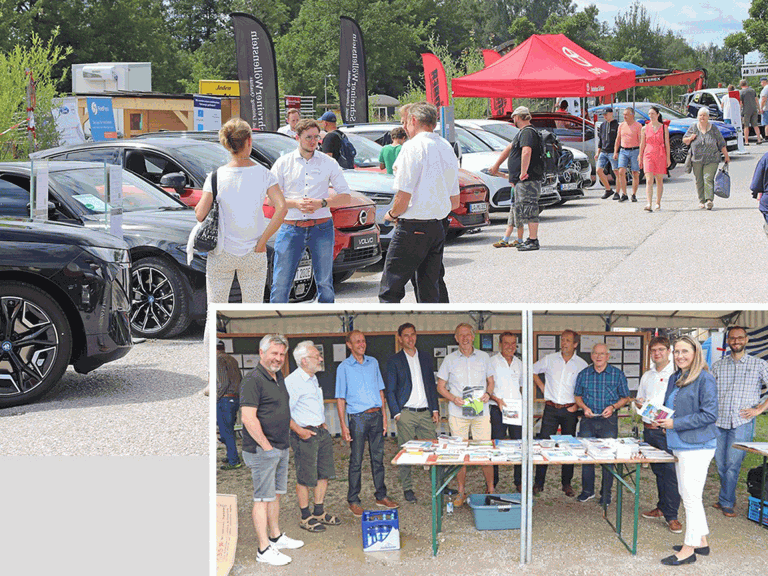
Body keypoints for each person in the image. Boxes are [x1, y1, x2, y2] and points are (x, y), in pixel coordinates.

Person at [195, 118, 287, 306]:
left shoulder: (216, 176)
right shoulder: (265, 174)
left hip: (221, 251)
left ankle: (212, 337)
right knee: (252, 310)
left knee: (215, 310)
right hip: (254, 249)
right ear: (249, 141)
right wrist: (263, 241)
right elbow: (282, 208)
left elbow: (200, 214)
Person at [378, 102, 460, 303]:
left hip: (413, 226)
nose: (404, 127)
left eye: (406, 122)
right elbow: (455, 201)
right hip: (437, 226)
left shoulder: (412, 147)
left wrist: (391, 215)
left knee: (390, 290)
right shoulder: (446, 146)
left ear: (414, 120)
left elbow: (403, 196)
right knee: (430, 288)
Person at [270, 119, 351, 303]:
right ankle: (275, 327)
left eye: (316, 137)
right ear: (297, 137)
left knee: (325, 283)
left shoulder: (328, 162)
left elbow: (346, 196)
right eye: (308, 137)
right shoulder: (283, 163)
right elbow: (270, 199)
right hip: (291, 227)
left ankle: (326, 328)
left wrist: (321, 203)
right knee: (281, 283)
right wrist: (295, 203)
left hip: (321, 227)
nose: (313, 141)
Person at [240, 334, 304, 566]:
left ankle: (275, 537)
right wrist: (267, 448)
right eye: (274, 353)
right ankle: (263, 549)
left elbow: (282, 412)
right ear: (261, 353)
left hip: (280, 447)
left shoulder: (278, 377)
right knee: (262, 498)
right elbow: (248, 418)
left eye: (281, 354)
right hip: (262, 451)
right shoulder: (252, 380)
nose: (278, 358)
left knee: (275, 495)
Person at [655, 336, 718, 566]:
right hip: (679, 443)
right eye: (677, 352)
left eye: (685, 351)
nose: (680, 356)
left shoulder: (705, 379)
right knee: (690, 494)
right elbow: (670, 409)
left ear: (696, 353)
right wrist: (658, 418)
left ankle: (688, 548)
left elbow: (709, 415)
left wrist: (675, 423)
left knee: (690, 497)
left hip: (698, 445)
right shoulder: (676, 377)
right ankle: (701, 540)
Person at [335, 330, 398, 516]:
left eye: (363, 341)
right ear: (349, 345)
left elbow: (381, 392)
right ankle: (353, 500)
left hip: (376, 416)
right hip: (358, 419)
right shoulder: (344, 367)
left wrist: (385, 417)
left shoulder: (374, 363)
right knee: (356, 460)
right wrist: (343, 426)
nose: (362, 344)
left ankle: (381, 495)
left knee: (378, 459)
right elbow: (340, 399)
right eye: (357, 342)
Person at [436, 323, 496, 506]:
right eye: (460, 335)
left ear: (473, 336)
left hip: (481, 413)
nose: (464, 338)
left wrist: (488, 394)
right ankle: (461, 492)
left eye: (467, 335)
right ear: (456, 338)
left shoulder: (485, 357)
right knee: (459, 454)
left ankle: (491, 490)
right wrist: (453, 398)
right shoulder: (449, 359)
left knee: (485, 452)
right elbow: (440, 387)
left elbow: (491, 382)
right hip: (458, 413)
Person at [711, 326, 768, 517]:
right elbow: (709, 392)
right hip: (719, 421)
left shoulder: (759, 365)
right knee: (720, 463)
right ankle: (726, 497)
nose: (736, 341)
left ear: (746, 340)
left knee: (732, 463)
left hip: (742, 422)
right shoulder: (718, 365)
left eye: (739, 338)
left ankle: (726, 502)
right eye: (732, 338)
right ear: (727, 341)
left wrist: (759, 408)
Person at [285, 341, 341, 533]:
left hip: (320, 431)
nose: (321, 359)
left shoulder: (312, 378)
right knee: (305, 477)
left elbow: (313, 404)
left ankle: (318, 511)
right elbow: (283, 412)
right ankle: (305, 516)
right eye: (317, 356)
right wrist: (300, 431)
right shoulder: (293, 381)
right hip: (304, 433)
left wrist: (323, 422)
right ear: (304, 360)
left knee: (323, 474)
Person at [384, 323, 441, 502]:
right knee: (406, 451)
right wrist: (396, 414)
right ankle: (407, 488)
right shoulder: (394, 360)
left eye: (413, 334)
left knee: (433, 450)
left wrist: (435, 408)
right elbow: (390, 390)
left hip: (425, 412)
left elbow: (431, 385)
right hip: (406, 413)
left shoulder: (424, 357)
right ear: (400, 338)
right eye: (406, 335)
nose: (410, 338)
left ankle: (438, 485)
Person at [532, 330, 588, 496]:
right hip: (550, 409)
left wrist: (578, 406)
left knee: (568, 447)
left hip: (570, 410)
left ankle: (566, 483)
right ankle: (539, 482)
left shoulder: (581, 364)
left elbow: (585, 387)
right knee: (544, 444)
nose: (564, 343)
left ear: (575, 344)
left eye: (568, 341)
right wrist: (542, 387)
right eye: (562, 340)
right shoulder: (550, 359)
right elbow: (532, 370)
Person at [635, 336, 682, 533]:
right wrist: (639, 404)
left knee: (671, 474)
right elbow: (639, 400)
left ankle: (672, 516)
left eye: (661, 349)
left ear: (669, 351)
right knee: (658, 472)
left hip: (667, 431)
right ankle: (662, 507)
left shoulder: (678, 374)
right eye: (654, 350)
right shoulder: (647, 375)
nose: (657, 353)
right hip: (650, 431)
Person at [574, 343, 630, 505]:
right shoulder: (583, 374)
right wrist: (584, 407)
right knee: (587, 456)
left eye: (602, 354)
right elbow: (577, 396)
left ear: (608, 356)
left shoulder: (617, 374)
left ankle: (606, 493)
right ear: (591, 356)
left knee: (608, 457)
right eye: (596, 354)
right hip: (588, 420)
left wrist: (613, 407)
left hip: (608, 421)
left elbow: (625, 397)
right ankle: (587, 491)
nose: (599, 357)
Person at [488, 106, 545, 251]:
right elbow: (509, 149)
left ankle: (533, 240)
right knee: (524, 208)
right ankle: (528, 239)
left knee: (530, 207)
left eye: (514, 117)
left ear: (518, 117)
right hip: (522, 180)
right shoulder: (522, 133)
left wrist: (523, 172)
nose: (513, 120)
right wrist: (496, 166)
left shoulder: (527, 133)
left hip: (528, 178)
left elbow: (526, 152)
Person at [489, 332, 523, 492]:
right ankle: (493, 482)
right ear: (500, 344)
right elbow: (486, 386)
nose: (510, 346)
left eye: (513, 343)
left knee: (519, 445)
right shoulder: (492, 362)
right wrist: (497, 400)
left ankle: (519, 481)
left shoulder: (520, 363)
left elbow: (522, 386)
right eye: (507, 343)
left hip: (516, 410)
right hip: (497, 409)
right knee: (496, 445)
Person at [683, 108, 730, 210]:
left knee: (708, 178)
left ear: (708, 117)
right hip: (696, 159)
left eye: (704, 115)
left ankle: (709, 200)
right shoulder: (693, 127)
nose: (702, 117)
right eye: (700, 115)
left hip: (712, 158)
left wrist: (726, 156)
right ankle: (701, 200)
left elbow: (721, 143)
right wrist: (691, 138)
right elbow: (685, 140)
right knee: (699, 180)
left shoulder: (713, 129)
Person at [638, 106, 671, 212]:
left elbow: (667, 144)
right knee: (649, 179)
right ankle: (649, 203)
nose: (651, 116)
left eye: (653, 113)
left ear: (658, 115)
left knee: (659, 180)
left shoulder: (663, 128)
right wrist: (640, 155)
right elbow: (642, 144)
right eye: (649, 114)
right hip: (648, 153)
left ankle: (658, 202)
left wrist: (668, 158)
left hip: (660, 154)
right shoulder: (644, 128)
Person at [217, 340, 243, 470]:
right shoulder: (232, 359)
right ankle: (230, 454)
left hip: (225, 399)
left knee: (225, 432)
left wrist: (216, 398)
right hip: (235, 398)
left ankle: (233, 461)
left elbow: (223, 382)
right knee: (229, 430)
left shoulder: (218, 360)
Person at [613, 107, 642, 202]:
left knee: (635, 173)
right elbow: (618, 139)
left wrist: (640, 154)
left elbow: (641, 141)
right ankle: (624, 194)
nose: (624, 116)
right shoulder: (621, 125)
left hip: (635, 150)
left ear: (632, 115)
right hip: (623, 150)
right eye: (624, 114)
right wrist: (615, 152)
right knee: (621, 171)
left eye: (626, 114)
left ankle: (633, 194)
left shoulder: (638, 126)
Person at [595, 107, 619, 200]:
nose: (605, 116)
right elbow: (600, 140)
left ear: (611, 113)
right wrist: (598, 152)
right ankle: (608, 189)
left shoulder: (617, 125)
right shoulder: (602, 125)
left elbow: (619, 140)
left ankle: (617, 192)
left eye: (606, 114)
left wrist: (616, 151)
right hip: (604, 151)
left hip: (613, 151)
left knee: (616, 172)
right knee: (598, 170)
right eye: (604, 115)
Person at [739, 79, 762, 145]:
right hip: (754, 109)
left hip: (746, 110)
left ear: (741, 85)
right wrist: (759, 109)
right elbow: (756, 100)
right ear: (746, 84)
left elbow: (741, 103)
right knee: (755, 125)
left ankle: (746, 141)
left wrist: (739, 110)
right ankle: (759, 139)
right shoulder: (752, 90)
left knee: (746, 126)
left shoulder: (741, 92)